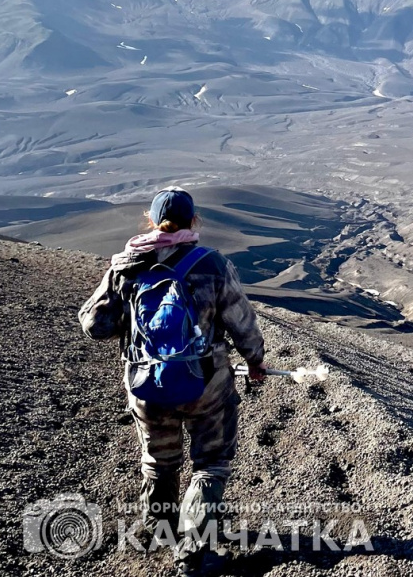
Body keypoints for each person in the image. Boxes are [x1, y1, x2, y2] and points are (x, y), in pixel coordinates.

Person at [79, 186, 267, 576]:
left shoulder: (126, 264)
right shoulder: (212, 264)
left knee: (159, 462)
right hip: (207, 385)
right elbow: (243, 324)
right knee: (211, 464)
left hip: (146, 384)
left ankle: (158, 531)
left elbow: (95, 325)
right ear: (194, 220)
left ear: (149, 220)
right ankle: (191, 554)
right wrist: (255, 362)